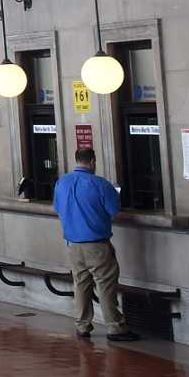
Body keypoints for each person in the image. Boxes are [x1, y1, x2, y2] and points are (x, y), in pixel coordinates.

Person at [53, 147, 140, 343]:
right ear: (92, 161)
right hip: (96, 244)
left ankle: (82, 325)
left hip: (72, 244)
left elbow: (58, 209)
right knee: (105, 283)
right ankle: (115, 327)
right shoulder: (100, 184)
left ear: (76, 160)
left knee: (81, 283)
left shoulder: (61, 183)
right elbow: (114, 211)